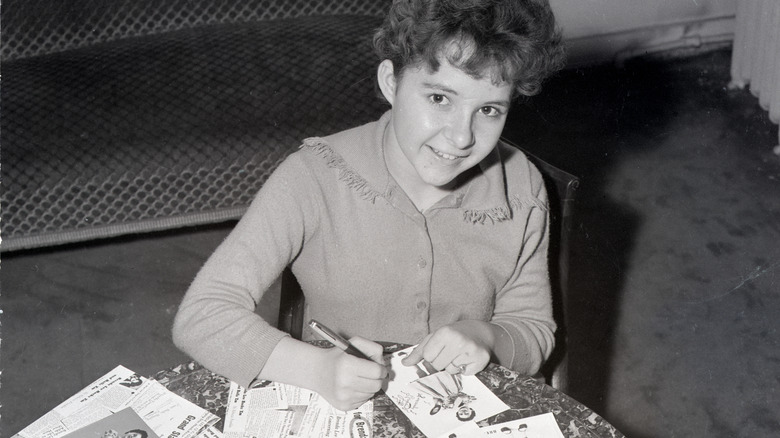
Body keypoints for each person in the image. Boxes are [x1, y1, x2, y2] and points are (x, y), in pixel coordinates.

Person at [173, 0, 564, 412]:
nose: (461, 137)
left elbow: (534, 330)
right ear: (391, 83)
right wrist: (316, 369)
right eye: (439, 99)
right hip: (340, 403)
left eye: (487, 110)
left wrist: (489, 338)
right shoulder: (314, 176)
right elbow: (202, 315)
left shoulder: (520, 186)